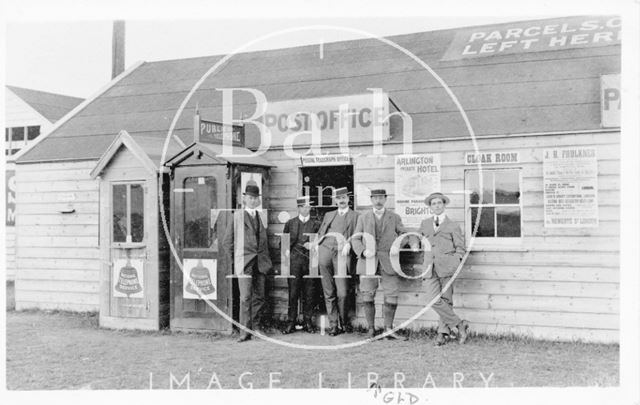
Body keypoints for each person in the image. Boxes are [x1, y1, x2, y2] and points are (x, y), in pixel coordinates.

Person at [351, 189, 410, 340]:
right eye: (375, 198)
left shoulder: (394, 217)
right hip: (367, 261)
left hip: (389, 262)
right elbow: (355, 239)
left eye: (381, 198)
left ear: (385, 199)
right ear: (371, 199)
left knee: (391, 295)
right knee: (367, 296)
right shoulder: (363, 218)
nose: (378, 200)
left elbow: (404, 235)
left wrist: (398, 245)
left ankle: (388, 329)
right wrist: (363, 251)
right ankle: (371, 329)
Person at [222, 182, 272, 342]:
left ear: (258, 200)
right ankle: (244, 331)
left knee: (260, 297)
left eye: (255, 198)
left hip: (260, 263)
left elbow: (263, 242)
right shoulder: (237, 216)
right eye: (250, 198)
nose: (252, 201)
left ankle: (255, 327)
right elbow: (227, 242)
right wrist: (236, 260)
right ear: (245, 199)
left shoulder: (259, 216)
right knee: (245, 298)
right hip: (244, 263)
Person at [418, 192, 469, 346]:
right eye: (433, 204)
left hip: (447, 267)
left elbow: (461, 248)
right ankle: (460, 325)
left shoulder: (453, 225)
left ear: (444, 205)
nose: (437, 206)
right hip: (429, 267)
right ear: (430, 207)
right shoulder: (425, 223)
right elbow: (417, 237)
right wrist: (414, 243)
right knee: (432, 298)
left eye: (439, 203)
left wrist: (455, 261)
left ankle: (442, 334)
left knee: (446, 300)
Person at [316, 187, 359, 336]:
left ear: (348, 199)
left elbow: (358, 234)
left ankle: (344, 322)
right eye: (338, 198)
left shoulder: (355, 216)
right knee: (328, 291)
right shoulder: (329, 214)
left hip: (342, 254)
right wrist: (317, 245)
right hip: (326, 251)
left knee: (342, 292)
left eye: (344, 198)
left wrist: (350, 243)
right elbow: (321, 232)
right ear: (335, 200)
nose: (341, 200)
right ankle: (334, 325)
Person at [281, 196, 321, 334]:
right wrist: (286, 253)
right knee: (293, 293)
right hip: (294, 263)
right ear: (298, 208)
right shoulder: (290, 223)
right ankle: (291, 322)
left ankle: (307, 322)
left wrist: (314, 245)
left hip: (310, 263)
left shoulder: (316, 224)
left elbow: (321, 242)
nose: (306, 208)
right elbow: (283, 243)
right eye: (303, 206)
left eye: (308, 206)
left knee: (309, 293)